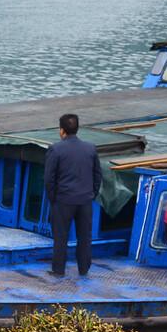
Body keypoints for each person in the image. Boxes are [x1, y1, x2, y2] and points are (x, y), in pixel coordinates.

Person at [44, 113, 102, 277]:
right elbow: (98, 175)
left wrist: (53, 199)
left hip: (63, 200)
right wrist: (91, 194)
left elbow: (49, 179)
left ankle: (58, 271)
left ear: (62, 130)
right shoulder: (90, 148)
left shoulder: (55, 149)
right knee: (85, 237)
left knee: (60, 237)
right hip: (85, 200)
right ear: (77, 128)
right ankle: (83, 269)